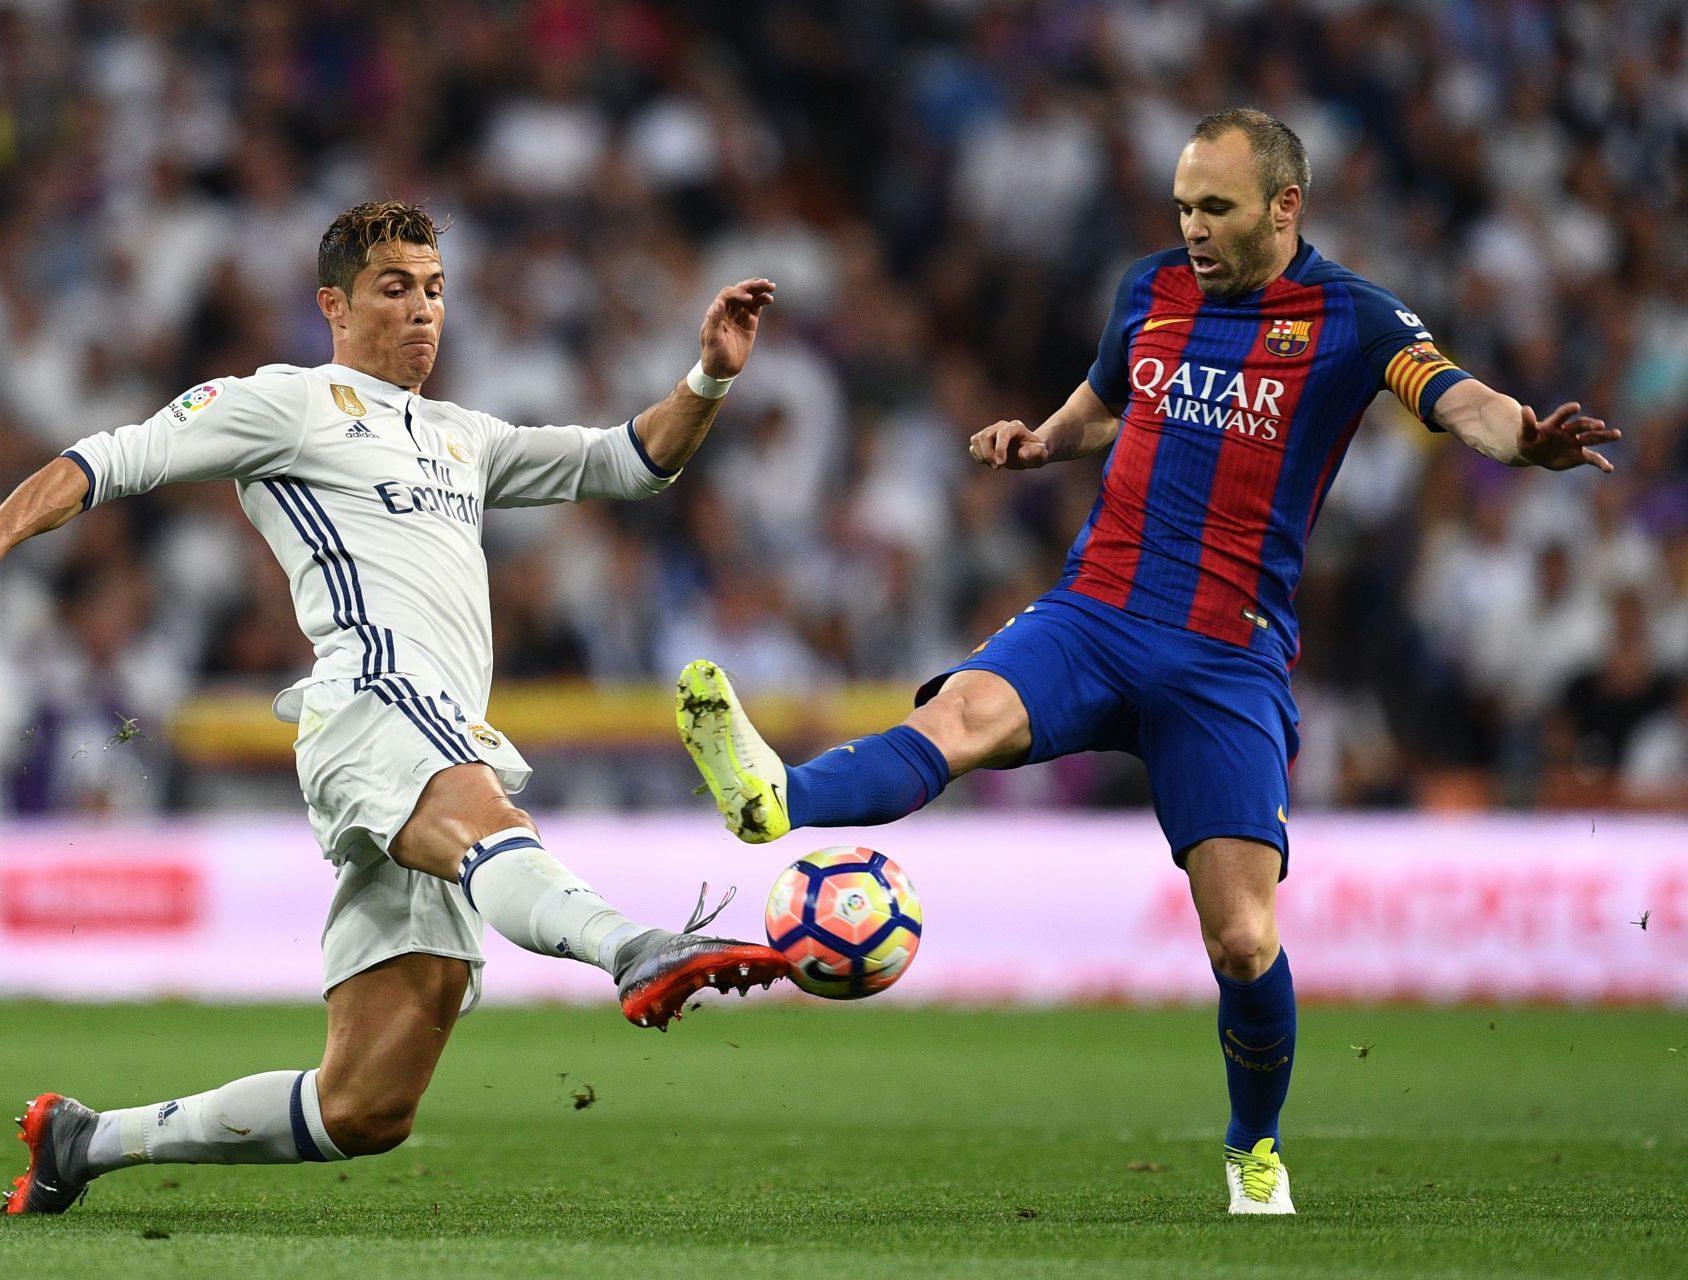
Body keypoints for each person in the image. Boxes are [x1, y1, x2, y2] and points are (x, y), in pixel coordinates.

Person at [676, 109, 1618, 1216]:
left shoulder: (1351, 316)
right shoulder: (1150, 289)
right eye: (1183, 206)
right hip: (1097, 608)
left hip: (1226, 658)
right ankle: (773, 796)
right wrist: (1040, 436)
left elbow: (1456, 396)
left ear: (1284, 207)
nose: (1194, 228)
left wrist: (1524, 438)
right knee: (961, 716)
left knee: (1242, 933)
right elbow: (1102, 406)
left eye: (1215, 208)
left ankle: (1253, 1147)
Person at [0, 201, 786, 1214]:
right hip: (370, 699)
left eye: (435, 289)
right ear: (334, 303)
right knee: (488, 817)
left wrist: (710, 373)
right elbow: (109, 458)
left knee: (364, 1106)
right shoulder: (288, 402)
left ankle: (86, 1137)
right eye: (395, 287)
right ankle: (636, 948)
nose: (422, 310)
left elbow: (629, 460)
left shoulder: (464, 436)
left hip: (437, 728)